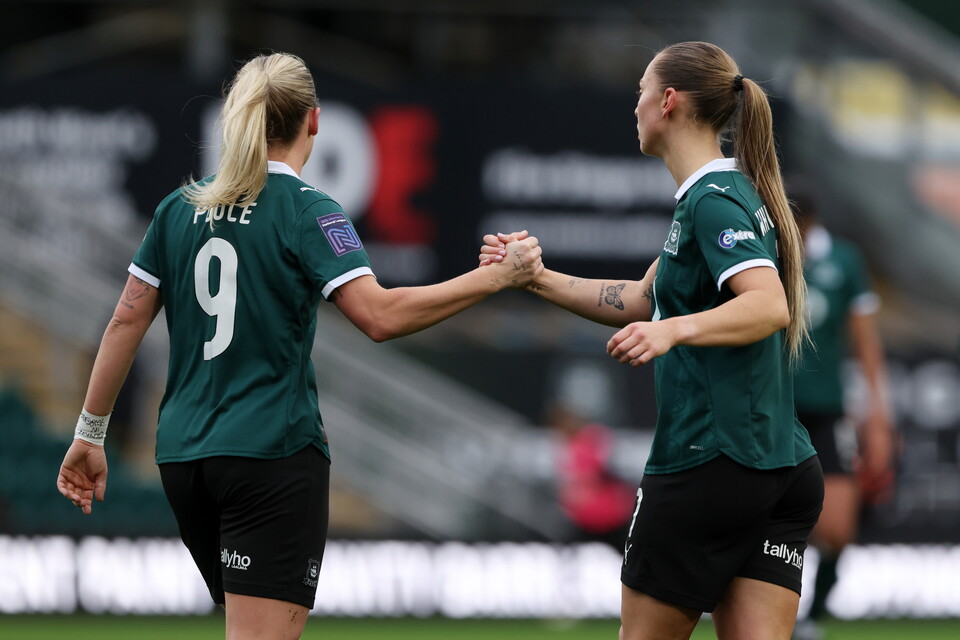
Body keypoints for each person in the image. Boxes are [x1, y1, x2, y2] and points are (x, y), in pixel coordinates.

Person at [56, 52, 542, 640]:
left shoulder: (179, 208)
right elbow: (380, 316)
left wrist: (89, 434)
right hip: (270, 454)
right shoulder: (308, 210)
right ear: (314, 120)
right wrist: (495, 278)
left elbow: (123, 323)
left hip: (185, 461)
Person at [481, 41, 823, 640]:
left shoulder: (714, 201)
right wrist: (533, 276)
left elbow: (768, 305)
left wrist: (674, 330)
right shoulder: (718, 195)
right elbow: (643, 299)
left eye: (641, 90)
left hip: (709, 462)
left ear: (668, 102)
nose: (633, 105)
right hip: (780, 466)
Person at [790, 188, 896, 640]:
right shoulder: (762, 253)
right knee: (753, 518)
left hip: (826, 410)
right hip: (772, 408)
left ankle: (810, 618)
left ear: (810, 223)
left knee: (836, 529)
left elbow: (867, 343)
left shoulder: (844, 261)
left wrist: (879, 419)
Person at [546, 403, 636, 549]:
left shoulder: (585, 443)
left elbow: (587, 482)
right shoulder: (577, 446)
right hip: (594, 518)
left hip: (606, 516)